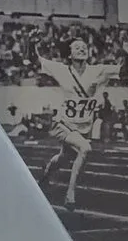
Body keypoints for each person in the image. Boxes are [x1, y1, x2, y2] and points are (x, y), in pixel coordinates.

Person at [38, 34, 106, 210]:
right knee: (85, 149)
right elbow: (36, 60)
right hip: (63, 124)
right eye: (77, 47)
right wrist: (33, 44)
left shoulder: (97, 71)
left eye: (84, 47)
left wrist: (127, 54)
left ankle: (46, 173)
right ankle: (70, 194)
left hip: (82, 127)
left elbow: (122, 71)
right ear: (69, 54)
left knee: (63, 158)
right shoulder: (61, 70)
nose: (82, 49)